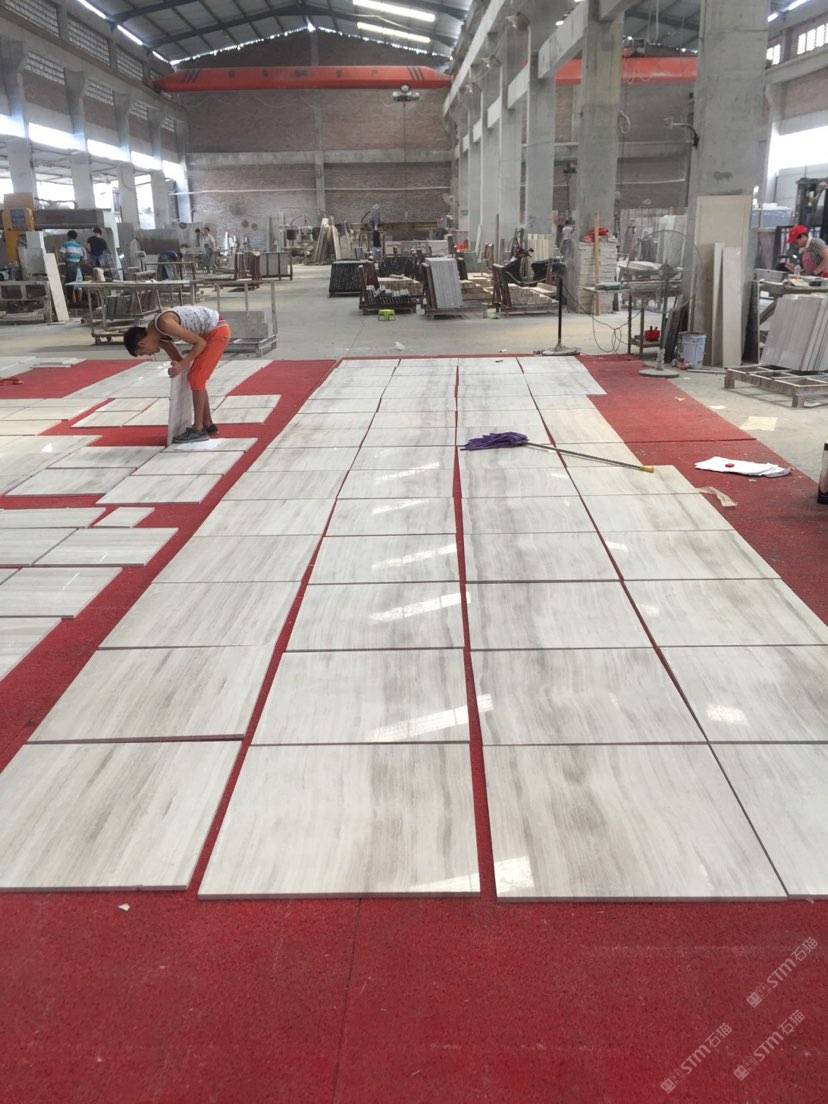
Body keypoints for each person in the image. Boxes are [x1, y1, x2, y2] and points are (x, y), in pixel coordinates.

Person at [122, 305, 230, 443]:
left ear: (142, 343)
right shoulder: (157, 333)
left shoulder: (164, 324)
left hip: (217, 331)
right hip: (211, 330)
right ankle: (208, 424)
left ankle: (198, 429)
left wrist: (182, 365)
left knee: (197, 378)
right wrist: (178, 366)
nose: (150, 354)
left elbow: (200, 343)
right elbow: (177, 359)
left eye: (144, 353)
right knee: (197, 377)